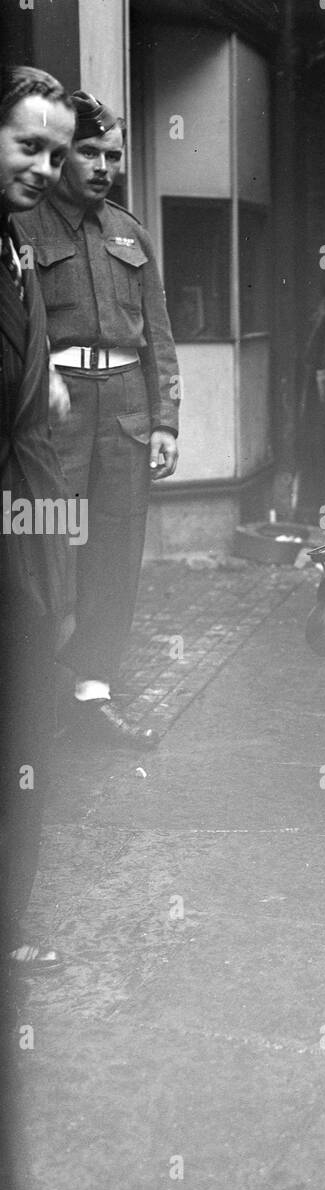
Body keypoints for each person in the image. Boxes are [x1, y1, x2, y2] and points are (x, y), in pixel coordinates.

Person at [16, 90, 180, 751]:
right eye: (89, 151)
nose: (104, 164)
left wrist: (165, 419)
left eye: (113, 153)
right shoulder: (25, 228)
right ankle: (32, 697)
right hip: (55, 416)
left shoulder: (130, 232)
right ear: (62, 155)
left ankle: (93, 695)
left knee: (115, 557)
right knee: (47, 553)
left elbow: (159, 335)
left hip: (128, 416)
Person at [0, 66, 76, 971]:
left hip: (18, 521)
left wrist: (39, 380)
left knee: (27, 722)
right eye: (29, 146)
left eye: (55, 152)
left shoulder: (15, 246)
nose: (46, 166)